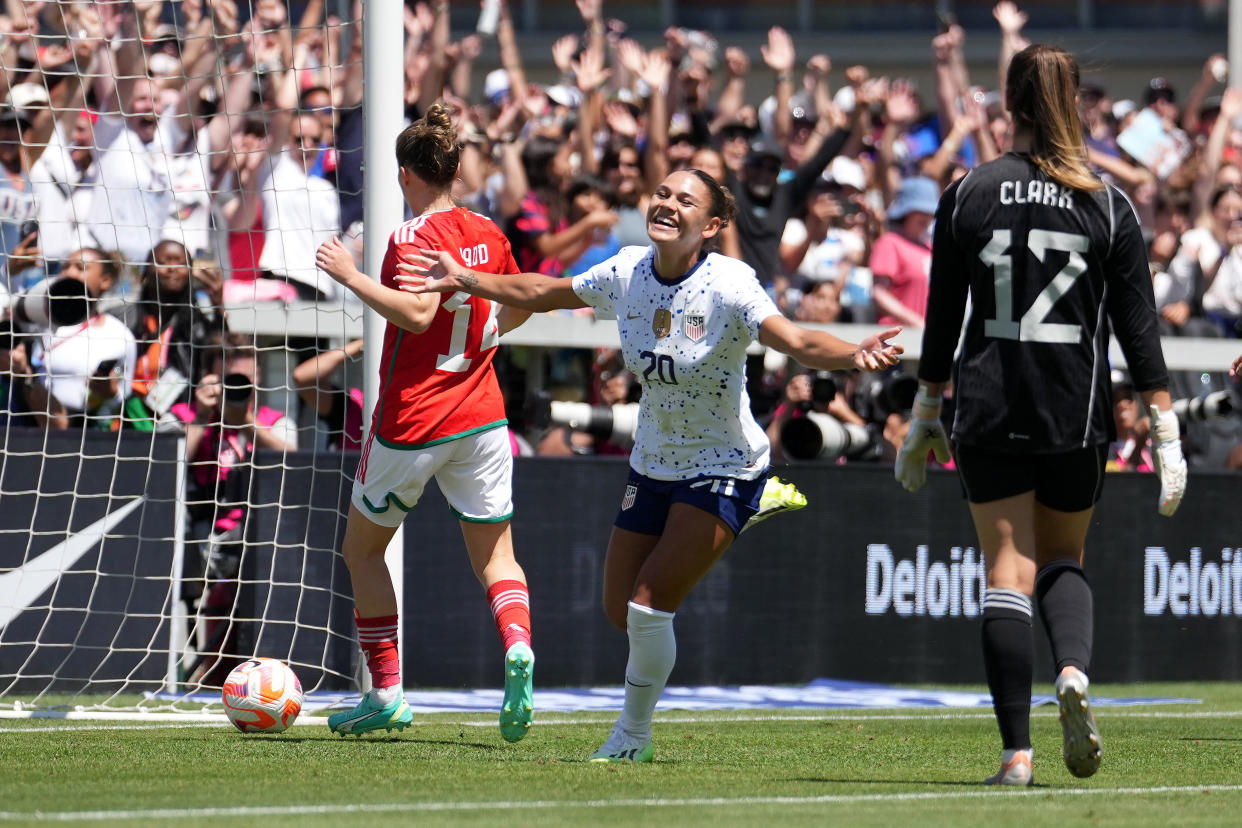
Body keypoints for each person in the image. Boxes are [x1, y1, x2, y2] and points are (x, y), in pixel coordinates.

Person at [396, 167, 902, 763]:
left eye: (684, 200)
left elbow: (794, 340)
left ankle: (631, 735)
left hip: (725, 464)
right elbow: (542, 292)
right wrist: (467, 278)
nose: (667, 203)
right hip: (652, 463)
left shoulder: (730, 283)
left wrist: (854, 352)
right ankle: (751, 511)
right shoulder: (626, 270)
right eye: (662, 193)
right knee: (620, 613)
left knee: (646, 605)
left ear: (711, 226)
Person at [893, 44, 1188, 787]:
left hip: (989, 403)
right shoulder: (1107, 201)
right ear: (1076, 102)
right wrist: (1165, 429)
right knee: (1062, 560)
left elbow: (941, 319)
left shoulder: (969, 191)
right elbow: (1139, 329)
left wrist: (925, 407)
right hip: (1074, 408)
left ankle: (1016, 756)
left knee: (1006, 569)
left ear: (1010, 102)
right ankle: (1074, 673)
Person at [312, 102, 537, 742]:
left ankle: (386, 693)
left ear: (405, 174)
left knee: (362, 548)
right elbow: (517, 304)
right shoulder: (489, 231)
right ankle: (517, 645)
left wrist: (351, 275)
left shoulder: (411, 239)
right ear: (456, 169)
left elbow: (413, 315)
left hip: (414, 416)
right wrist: (483, 335)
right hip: (484, 415)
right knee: (498, 556)